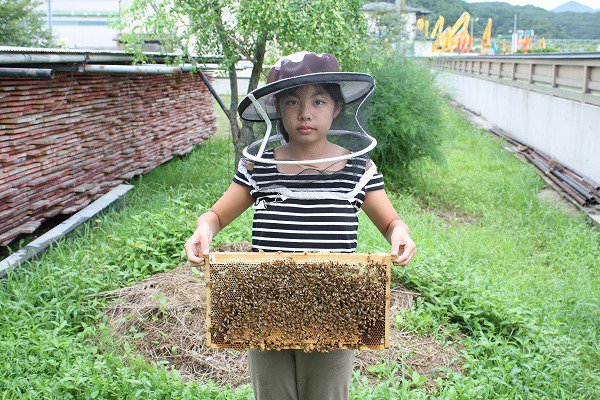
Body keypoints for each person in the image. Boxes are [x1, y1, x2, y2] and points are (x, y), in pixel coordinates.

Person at [185, 51, 416, 400]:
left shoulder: (358, 168)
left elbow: (391, 221)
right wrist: (204, 230)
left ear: (336, 107)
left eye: (318, 101)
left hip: (335, 306)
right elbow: (215, 216)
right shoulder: (258, 166)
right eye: (292, 102)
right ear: (277, 108)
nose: (305, 113)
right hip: (266, 304)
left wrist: (400, 233)